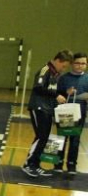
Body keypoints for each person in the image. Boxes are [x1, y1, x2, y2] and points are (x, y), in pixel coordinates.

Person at [23, 50, 73, 178]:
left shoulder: (55, 74)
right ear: (57, 61)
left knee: (44, 137)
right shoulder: (45, 70)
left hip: (48, 109)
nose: (63, 69)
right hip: (38, 107)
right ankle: (28, 164)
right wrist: (56, 95)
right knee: (42, 136)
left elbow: (52, 90)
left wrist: (65, 93)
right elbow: (38, 88)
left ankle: (35, 163)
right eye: (64, 66)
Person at [56, 52, 88, 175]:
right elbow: (57, 95)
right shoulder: (64, 78)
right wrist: (66, 93)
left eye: (83, 63)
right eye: (77, 63)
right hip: (66, 111)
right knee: (62, 137)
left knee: (75, 140)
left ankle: (71, 165)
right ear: (72, 64)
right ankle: (58, 163)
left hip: (81, 111)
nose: (80, 66)